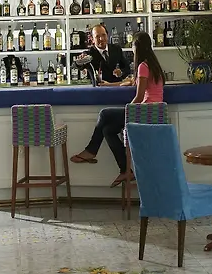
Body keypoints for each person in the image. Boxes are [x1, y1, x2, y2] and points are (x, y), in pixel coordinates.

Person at [70, 31, 166, 186]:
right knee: (108, 130)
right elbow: (131, 83)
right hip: (154, 114)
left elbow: (139, 97)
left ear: (137, 47)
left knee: (105, 113)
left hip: (144, 114)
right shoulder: (153, 65)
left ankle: (91, 150)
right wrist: (110, 85)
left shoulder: (143, 66)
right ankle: (125, 170)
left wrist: (129, 110)